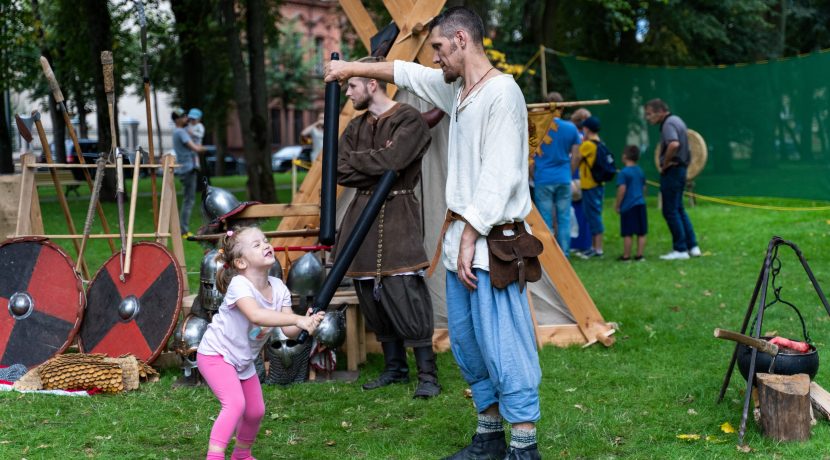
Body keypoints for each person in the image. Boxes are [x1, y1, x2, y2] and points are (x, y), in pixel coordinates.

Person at [325, 6, 542, 459]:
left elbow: (501, 174)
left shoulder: (502, 93)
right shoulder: (459, 93)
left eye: (441, 49)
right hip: (461, 244)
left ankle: (524, 448)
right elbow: (405, 71)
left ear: (462, 40)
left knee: (506, 346)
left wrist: (470, 234)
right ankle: (488, 440)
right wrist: (350, 68)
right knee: (468, 345)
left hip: (491, 244)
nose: (436, 59)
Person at [335, 57, 440, 398]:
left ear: (372, 84)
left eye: (351, 85)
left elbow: (396, 162)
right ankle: (394, 368)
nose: (348, 93)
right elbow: (341, 170)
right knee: (370, 293)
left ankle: (427, 375)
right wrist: (379, 163)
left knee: (404, 290)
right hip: (361, 213)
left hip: (398, 213)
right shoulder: (355, 127)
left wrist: (370, 162)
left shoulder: (408, 119)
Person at [196, 225, 325, 460]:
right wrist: (297, 318)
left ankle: (242, 455)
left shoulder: (278, 287)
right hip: (216, 354)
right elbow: (256, 315)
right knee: (235, 405)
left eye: (265, 240)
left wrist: (306, 322)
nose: (266, 245)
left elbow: (289, 330)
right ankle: (214, 457)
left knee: (255, 411)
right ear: (241, 263)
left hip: (242, 360)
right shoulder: (239, 286)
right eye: (256, 244)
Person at [643, 99, 701, 260]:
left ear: (660, 111)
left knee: (670, 210)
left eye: (649, 114)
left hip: (673, 171)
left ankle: (680, 249)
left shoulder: (668, 124)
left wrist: (666, 163)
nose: (648, 118)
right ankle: (692, 246)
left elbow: (674, 144)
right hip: (680, 170)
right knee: (679, 208)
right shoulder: (677, 120)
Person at [531, 92, 580, 257]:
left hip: (543, 179)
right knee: (564, 218)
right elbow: (576, 156)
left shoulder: (537, 127)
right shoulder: (571, 128)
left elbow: (530, 155)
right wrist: (569, 173)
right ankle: (564, 255)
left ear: (544, 107)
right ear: (563, 107)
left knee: (545, 221)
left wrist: (533, 175)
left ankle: (549, 258)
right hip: (563, 178)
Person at [574, 115, 606, 258]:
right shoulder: (599, 142)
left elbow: (577, 157)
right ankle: (594, 247)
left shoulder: (587, 145)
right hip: (597, 184)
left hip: (590, 185)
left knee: (594, 216)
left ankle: (597, 249)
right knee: (593, 215)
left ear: (586, 129)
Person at [172, 108, 206, 237]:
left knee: (188, 199)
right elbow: (195, 147)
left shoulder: (179, 131)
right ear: (177, 120)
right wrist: (204, 149)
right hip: (188, 168)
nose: (187, 119)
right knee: (189, 200)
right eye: (184, 116)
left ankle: (183, 229)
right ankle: (183, 230)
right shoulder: (181, 132)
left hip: (186, 167)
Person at [614, 145, 647, 261]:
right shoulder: (640, 171)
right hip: (640, 204)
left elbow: (622, 189)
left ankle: (626, 256)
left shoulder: (623, 173)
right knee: (641, 232)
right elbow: (644, 188)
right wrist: (641, 198)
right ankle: (639, 255)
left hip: (628, 206)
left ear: (624, 156)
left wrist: (618, 205)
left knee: (628, 233)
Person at [569, 108, 593, 255]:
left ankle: (572, 242)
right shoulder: (588, 138)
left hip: (571, 175)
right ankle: (584, 243)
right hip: (583, 177)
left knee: (570, 212)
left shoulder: (571, 135)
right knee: (584, 212)